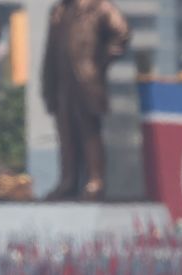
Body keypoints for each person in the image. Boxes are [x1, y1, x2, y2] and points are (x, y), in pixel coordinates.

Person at [41, 0, 130, 201]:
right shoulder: (59, 11)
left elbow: (122, 33)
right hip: (62, 83)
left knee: (89, 129)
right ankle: (68, 181)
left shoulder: (99, 6)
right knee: (66, 132)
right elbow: (50, 53)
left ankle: (95, 180)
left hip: (87, 80)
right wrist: (48, 86)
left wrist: (100, 61)